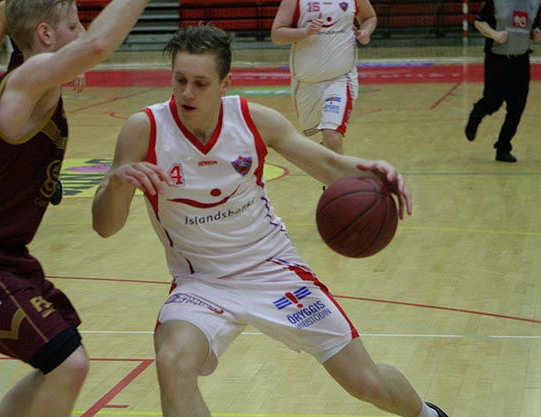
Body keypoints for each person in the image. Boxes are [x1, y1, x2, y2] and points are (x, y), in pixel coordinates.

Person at [92, 24, 450, 417]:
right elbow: (105, 227)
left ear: (225, 84)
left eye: (200, 83)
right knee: (172, 362)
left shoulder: (252, 120)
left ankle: (429, 414)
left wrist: (376, 173)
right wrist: (117, 185)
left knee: (366, 382)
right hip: (201, 283)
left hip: (272, 269)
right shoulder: (145, 129)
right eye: (179, 80)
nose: (187, 93)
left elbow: (329, 165)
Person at [0, 1, 148, 416]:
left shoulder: (40, 85)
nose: (82, 33)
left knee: (59, 364)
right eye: (74, 25)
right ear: (46, 34)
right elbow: (98, 45)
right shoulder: (27, 78)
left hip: (6, 256)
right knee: (68, 365)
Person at [270, 0, 377, 154]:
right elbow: (277, 35)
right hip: (305, 82)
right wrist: (306, 32)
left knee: (332, 138)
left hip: (340, 78)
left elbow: (369, 17)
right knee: (320, 146)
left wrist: (365, 32)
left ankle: (339, 170)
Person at [464, 0, 541, 162]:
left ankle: (503, 147)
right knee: (493, 101)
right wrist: (494, 34)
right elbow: (479, 22)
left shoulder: (536, 2)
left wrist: (536, 33)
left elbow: (533, 26)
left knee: (517, 107)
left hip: (521, 61)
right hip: (497, 60)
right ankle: (476, 114)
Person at [0, 0, 86, 93]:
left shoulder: (49, 4)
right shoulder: (5, 7)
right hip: (19, 65)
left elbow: (80, 35)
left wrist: (79, 67)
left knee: (50, 103)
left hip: (47, 64)